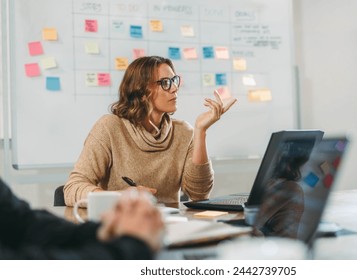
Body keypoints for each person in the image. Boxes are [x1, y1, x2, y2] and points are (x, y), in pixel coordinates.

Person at [64, 56, 237, 207]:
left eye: (174, 80)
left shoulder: (183, 131)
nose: (175, 88)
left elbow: (199, 194)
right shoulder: (110, 127)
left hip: (168, 227)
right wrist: (120, 197)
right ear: (141, 91)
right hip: (122, 227)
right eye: (165, 83)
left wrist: (201, 131)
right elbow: (73, 188)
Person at [0, 177, 164, 259]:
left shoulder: (179, 130)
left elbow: (22, 222)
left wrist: (102, 230)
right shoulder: (108, 127)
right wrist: (131, 246)